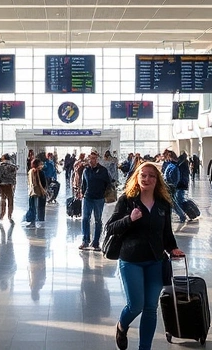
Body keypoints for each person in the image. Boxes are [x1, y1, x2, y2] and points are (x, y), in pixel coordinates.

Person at [106, 161, 185, 350]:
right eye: (143, 175)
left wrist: (173, 248)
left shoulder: (163, 204)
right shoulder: (127, 199)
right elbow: (110, 227)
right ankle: (122, 326)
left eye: (151, 175)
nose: (147, 179)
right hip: (131, 259)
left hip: (155, 261)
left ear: (157, 180)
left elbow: (166, 233)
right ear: (137, 177)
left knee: (150, 308)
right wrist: (129, 219)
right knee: (136, 305)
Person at [78, 150, 112, 251]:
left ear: (97, 159)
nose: (92, 160)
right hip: (87, 198)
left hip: (99, 199)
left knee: (98, 220)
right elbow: (83, 184)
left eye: (94, 158)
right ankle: (85, 240)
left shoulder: (103, 170)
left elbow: (108, 184)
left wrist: (103, 194)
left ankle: (96, 242)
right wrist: (82, 193)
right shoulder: (86, 170)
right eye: (90, 158)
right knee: (85, 219)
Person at [161, 151, 187, 223]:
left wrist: (170, 185)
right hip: (170, 186)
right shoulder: (173, 166)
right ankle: (180, 215)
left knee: (172, 202)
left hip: (170, 186)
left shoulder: (173, 167)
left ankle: (181, 215)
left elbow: (172, 178)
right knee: (172, 202)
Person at [22, 158, 46, 228]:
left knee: (32, 207)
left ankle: (32, 221)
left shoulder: (30, 172)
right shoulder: (41, 172)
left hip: (32, 192)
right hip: (39, 192)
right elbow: (44, 183)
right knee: (39, 207)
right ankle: (38, 220)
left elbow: (29, 182)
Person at [0, 153, 18, 223]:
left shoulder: (0, 166)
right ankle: (9, 215)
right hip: (10, 185)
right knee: (10, 200)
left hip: (2, 184)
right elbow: (15, 172)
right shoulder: (13, 166)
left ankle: (2, 214)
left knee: (2, 199)